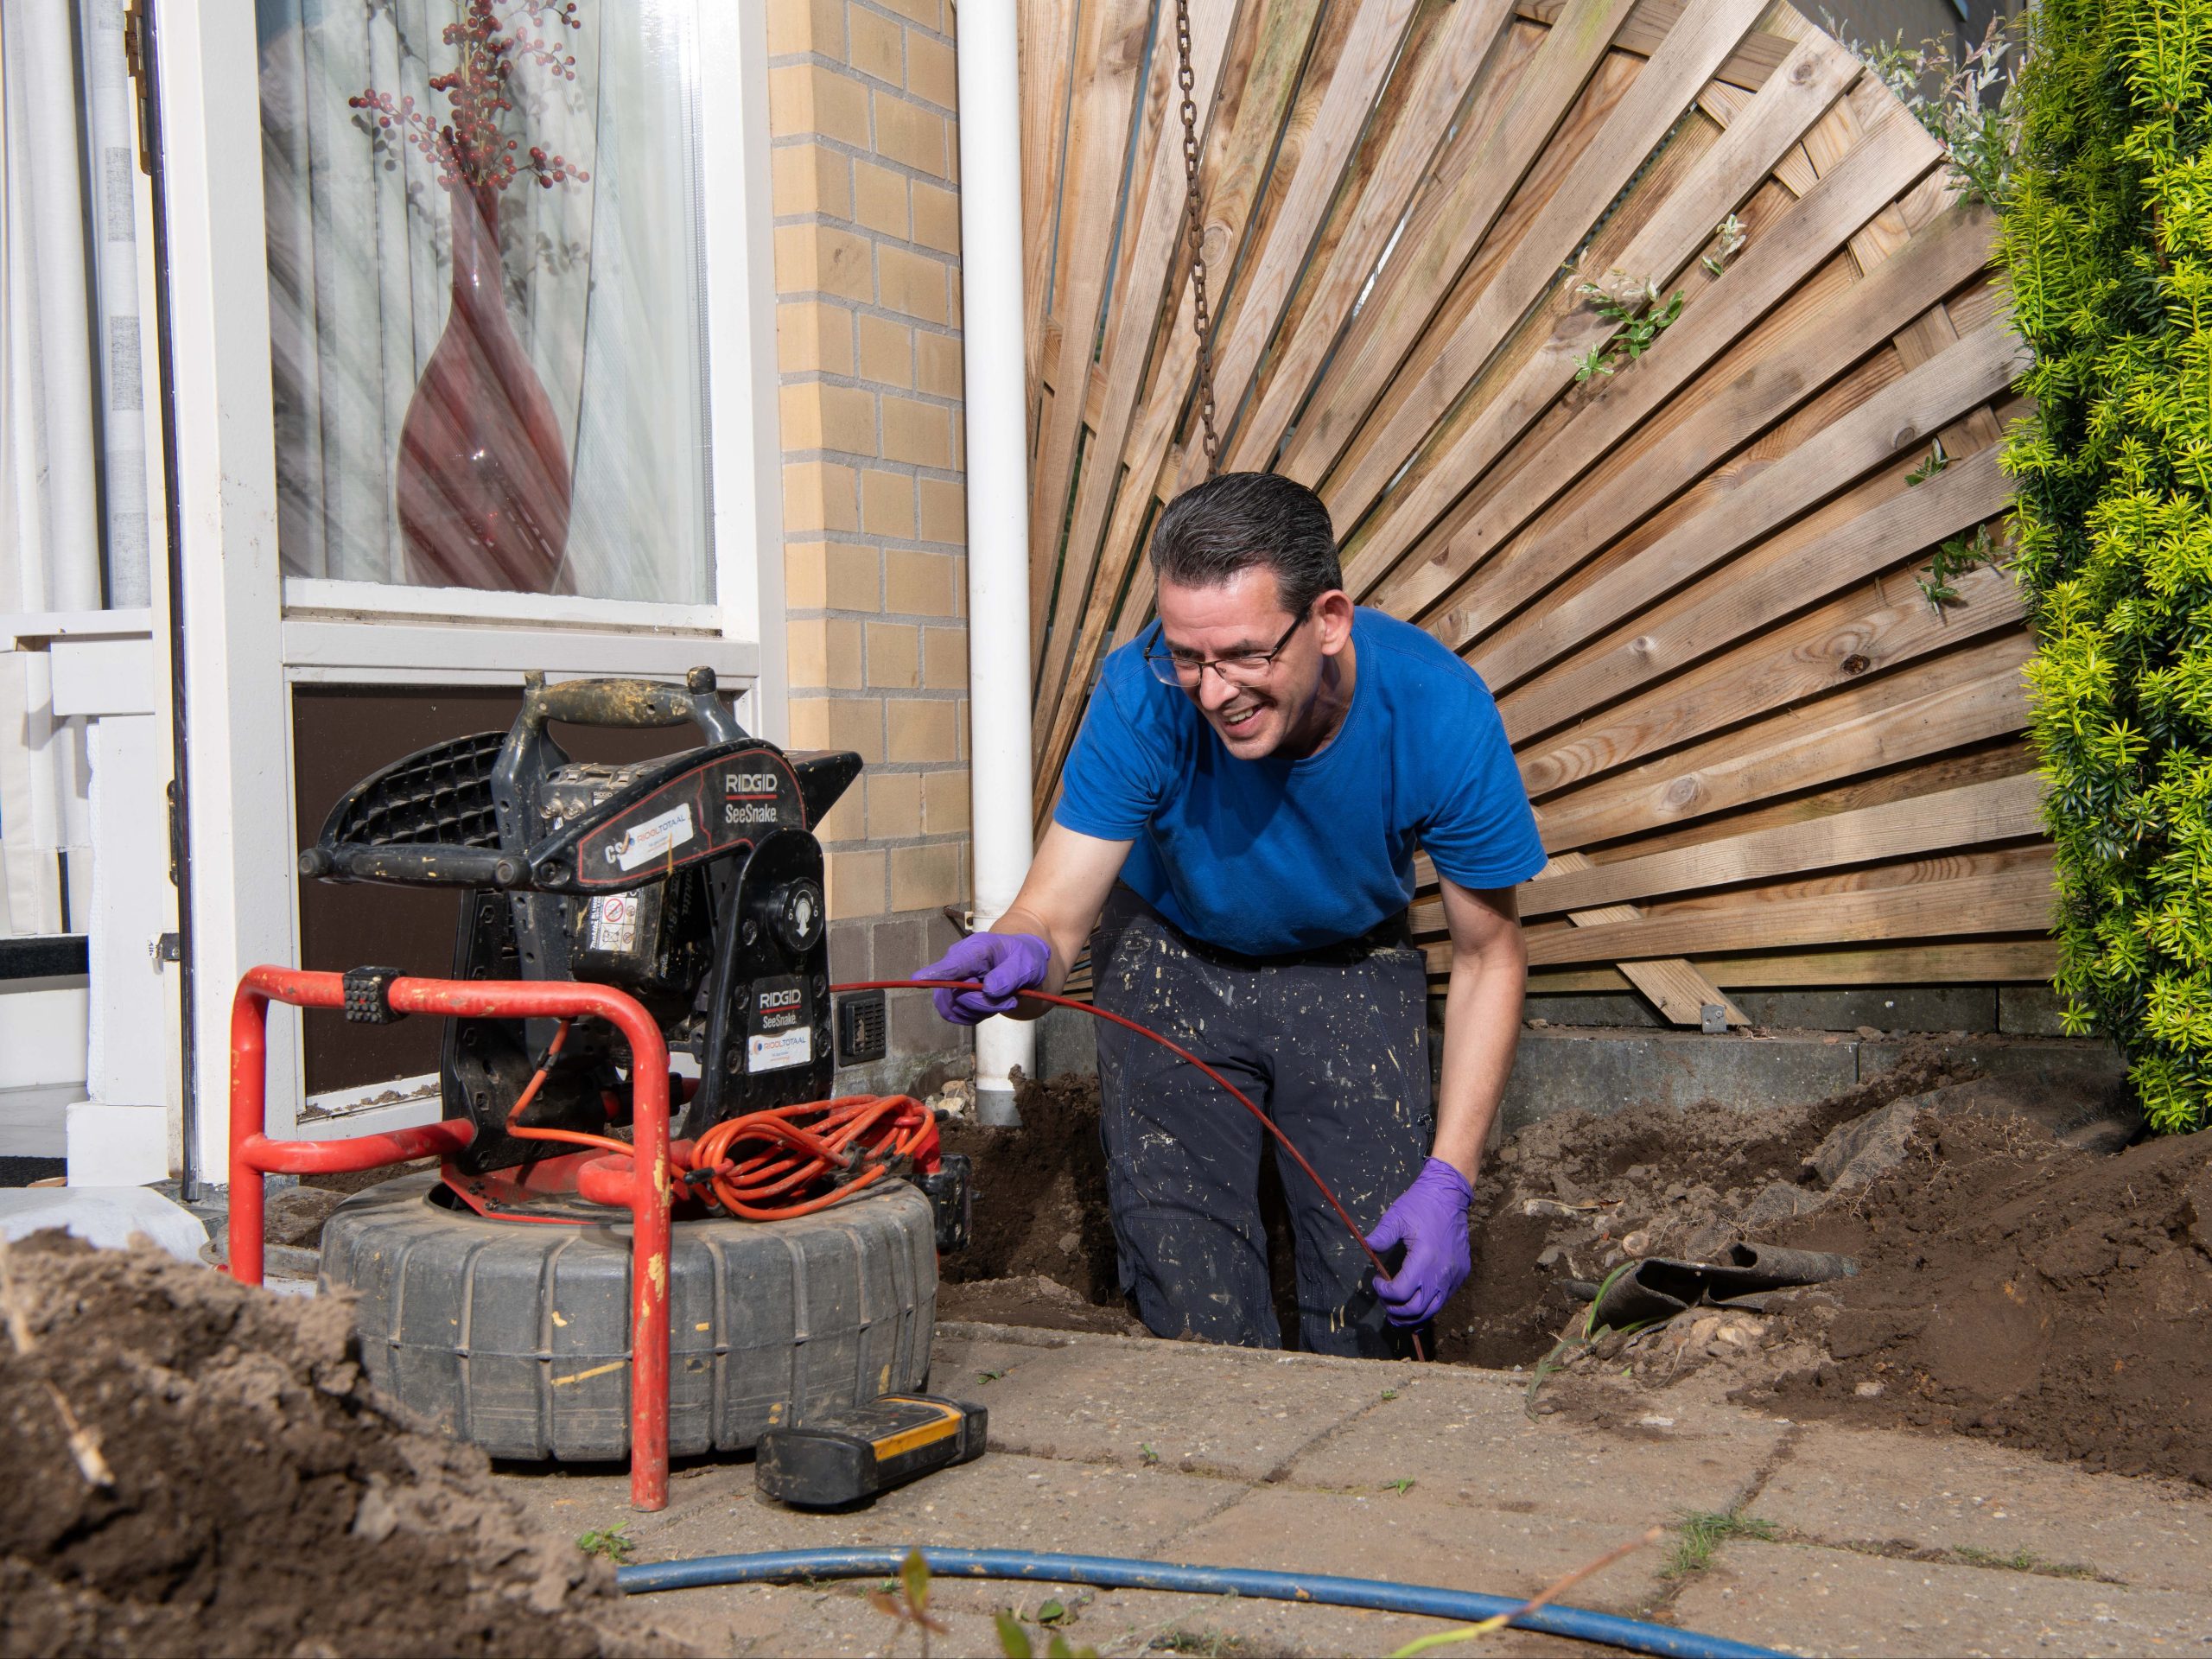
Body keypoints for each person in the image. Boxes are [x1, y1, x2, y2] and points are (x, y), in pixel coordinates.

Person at [918, 472, 1542, 1356]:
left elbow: (1488, 957)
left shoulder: (1437, 711)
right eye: (1187, 656)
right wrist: (1013, 960)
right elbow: (1053, 920)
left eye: (1246, 655)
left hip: (1345, 961)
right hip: (1171, 953)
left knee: (1371, 1278)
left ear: (1328, 619)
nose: (1212, 693)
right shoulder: (1143, 695)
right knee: (1188, 1280)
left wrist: (1450, 1179)